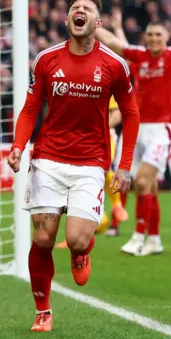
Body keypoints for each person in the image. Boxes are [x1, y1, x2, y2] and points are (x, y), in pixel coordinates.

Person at [6, 0, 140, 332]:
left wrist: (124, 165)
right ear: (67, 20)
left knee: (77, 238)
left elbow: (131, 113)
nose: (79, 13)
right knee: (43, 239)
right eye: (73, 9)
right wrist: (19, 146)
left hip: (91, 162)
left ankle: (81, 252)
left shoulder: (114, 65)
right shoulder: (46, 59)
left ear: (98, 23)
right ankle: (43, 310)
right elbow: (31, 108)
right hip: (48, 158)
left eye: (88, 10)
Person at [96, 0, 171, 256]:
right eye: (149, 34)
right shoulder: (140, 56)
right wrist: (91, 23)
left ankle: (138, 237)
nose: (153, 38)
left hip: (162, 128)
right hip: (136, 128)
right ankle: (155, 239)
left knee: (146, 179)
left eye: (158, 34)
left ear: (167, 36)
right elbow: (114, 43)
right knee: (141, 186)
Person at [55, 95, 125, 247]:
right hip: (78, 137)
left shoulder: (102, 82)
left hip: (104, 137)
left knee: (101, 170)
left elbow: (117, 115)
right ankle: (89, 226)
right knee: (73, 179)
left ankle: (117, 205)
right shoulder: (72, 87)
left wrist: (99, 128)